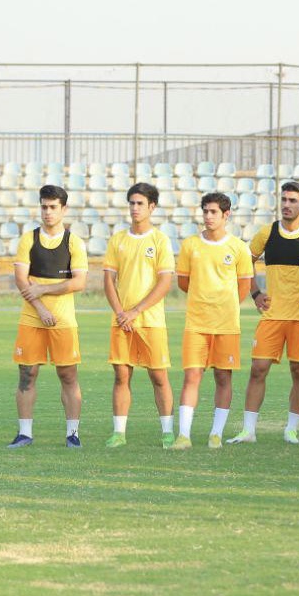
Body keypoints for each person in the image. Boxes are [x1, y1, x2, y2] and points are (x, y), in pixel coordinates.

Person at [229, 181, 299, 444]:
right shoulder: (266, 233)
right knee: (258, 369)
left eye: (293, 201)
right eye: (284, 200)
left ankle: (291, 429)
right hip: (272, 315)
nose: (287, 205)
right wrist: (256, 293)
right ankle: (248, 430)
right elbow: (245, 261)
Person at [174, 193, 254, 449]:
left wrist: (225, 306)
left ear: (225, 215)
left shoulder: (239, 248)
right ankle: (184, 435)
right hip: (196, 323)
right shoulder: (190, 245)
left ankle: (215, 434)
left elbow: (244, 286)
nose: (208, 217)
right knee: (192, 376)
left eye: (213, 212)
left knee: (223, 377)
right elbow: (183, 282)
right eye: (205, 211)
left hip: (227, 325)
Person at [12, 185, 88, 448]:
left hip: (64, 322)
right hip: (31, 319)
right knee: (27, 374)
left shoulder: (74, 242)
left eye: (53, 207)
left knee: (68, 375)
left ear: (63, 209)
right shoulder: (28, 239)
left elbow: (78, 283)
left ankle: (73, 434)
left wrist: (43, 288)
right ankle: (24, 434)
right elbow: (21, 279)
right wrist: (42, 309)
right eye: (44, 206)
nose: (48, 212)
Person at [104, 182, 175, 448]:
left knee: (159, 377)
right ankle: (119, 433)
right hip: (122, 321)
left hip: (151, 321)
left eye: (140, 204)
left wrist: (136, 311)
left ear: (151, 207)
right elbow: (109, 280)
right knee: (121, 376)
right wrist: (121, 312)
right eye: (131, 203)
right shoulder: (117, 239)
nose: (134, 208)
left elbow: (164, 282)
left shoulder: (160, 240)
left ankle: (167, 432)